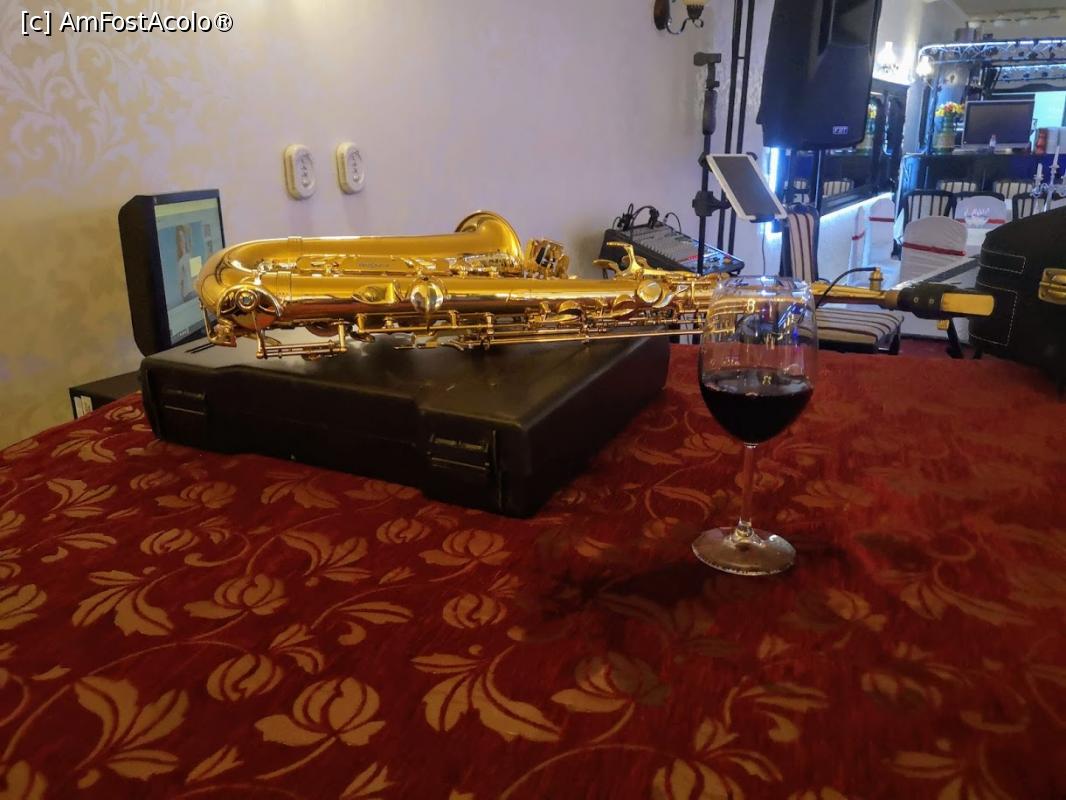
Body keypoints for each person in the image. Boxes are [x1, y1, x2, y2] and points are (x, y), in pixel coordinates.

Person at [175, 225, 197, 303]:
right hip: (188, 294)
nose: (182, 241)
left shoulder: (191, 256)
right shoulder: (180, 262)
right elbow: (181, 283)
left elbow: (196, 275)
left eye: (183, 237)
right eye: (180, 238)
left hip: (195, 290)